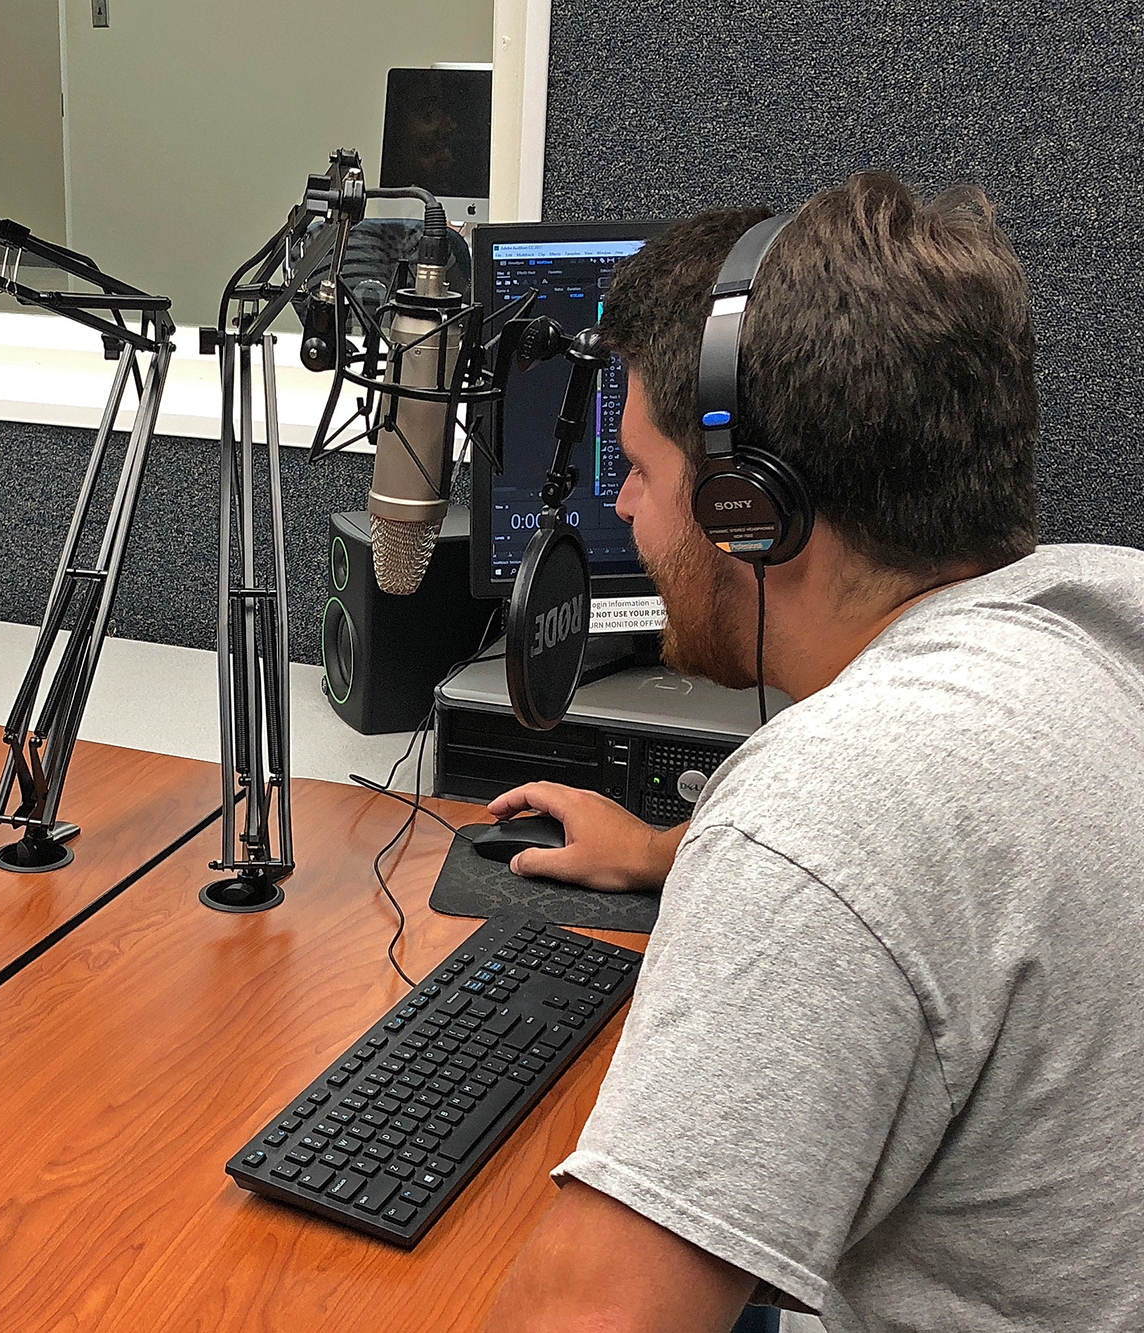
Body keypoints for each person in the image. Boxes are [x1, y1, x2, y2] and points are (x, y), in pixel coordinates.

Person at [478, 175, 1144, 1331]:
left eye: (635, 469)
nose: (624, 512)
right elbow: (957, 872)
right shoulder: (1099, 616)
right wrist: (667, 853)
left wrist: (766, 853)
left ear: (749, 507)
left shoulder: (834, 808)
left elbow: (586, 1317)